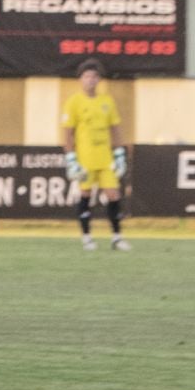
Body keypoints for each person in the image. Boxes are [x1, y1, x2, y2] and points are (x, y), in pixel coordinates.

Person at [62, 59, 129, 252]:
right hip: (85, 159)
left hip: (105, 159)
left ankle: (117, 238)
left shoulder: (106, 101)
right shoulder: (74, 102)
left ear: (99, 79)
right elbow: (67, 133)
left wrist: (119, 154)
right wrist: (71, 159)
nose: (90, 80)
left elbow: (115, 129)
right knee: (85, 195)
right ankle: (87, 238)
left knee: (113, 195)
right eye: (86, 76)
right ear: (80, 79)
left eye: (94, 76)